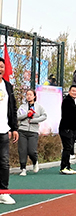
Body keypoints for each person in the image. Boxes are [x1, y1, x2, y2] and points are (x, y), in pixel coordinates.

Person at [0, 57, 18, 205]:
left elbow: (12, 108)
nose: (0, 69)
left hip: (3, 131)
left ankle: (3, 191)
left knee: (4, 162)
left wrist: (14, 128)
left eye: (2, 66)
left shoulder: (7, 86)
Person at [17, 89, 47, 176]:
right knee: (22, 151)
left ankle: (35, 162)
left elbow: (44, 116)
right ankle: (23, 168)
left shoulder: (39, 107)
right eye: (27, 95)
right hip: (22, 130)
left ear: (34, 96)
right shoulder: (22, 107)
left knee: (32, 151)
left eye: (30, 94)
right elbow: (18, 116)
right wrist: (27, 114)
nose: (29, 96)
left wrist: (34, 120)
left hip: (33, 131)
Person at [58, 85, 76, 174]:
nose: (75, 93)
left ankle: (67, 166)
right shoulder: (67, 101)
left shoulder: (75, 101)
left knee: (69, 147)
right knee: (67, 147)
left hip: (71, 128)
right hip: (65, 128)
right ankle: (64, 167)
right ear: (69, 91)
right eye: (73, 91)